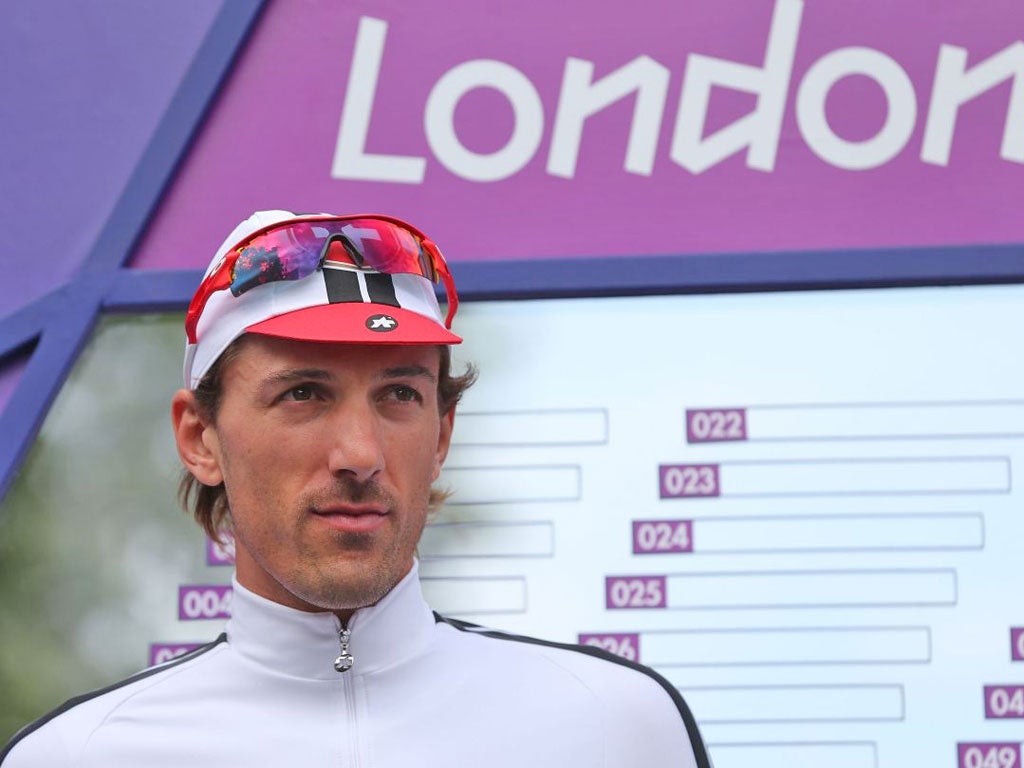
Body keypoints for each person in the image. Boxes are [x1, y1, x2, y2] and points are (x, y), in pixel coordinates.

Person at [1, 211, 711, 767]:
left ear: (440, 435)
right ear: (200, 438)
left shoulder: (619, 725)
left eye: (399, 392)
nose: (360, 454)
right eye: (305, 392)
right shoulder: (78, 758)